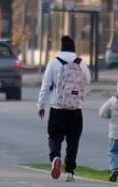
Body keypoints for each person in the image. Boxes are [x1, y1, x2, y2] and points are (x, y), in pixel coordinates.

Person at [37, 35, 91, 182]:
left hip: (57, 108)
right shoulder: (81, 63)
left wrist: (41, 105)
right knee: (73, 141)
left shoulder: (54, 63)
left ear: (61, 48)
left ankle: (55, 157)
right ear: (74, 49)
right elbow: (88, 80)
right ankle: (69, 172)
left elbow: (45, 85)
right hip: (76, 109)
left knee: (55, 137)